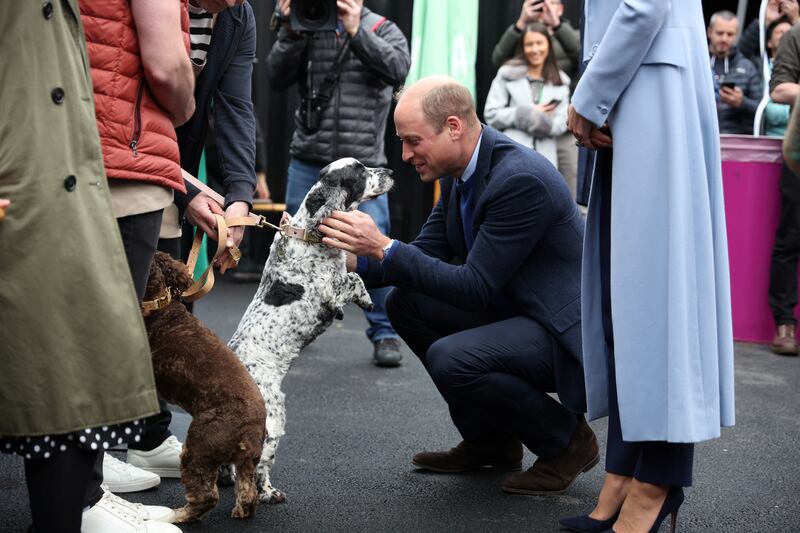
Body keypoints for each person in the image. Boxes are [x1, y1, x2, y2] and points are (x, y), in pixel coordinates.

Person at [319, 76, 599, 495]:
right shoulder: (456, 173)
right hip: (517, 309)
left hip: (564, 333)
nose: (405, 154)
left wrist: (382, 245)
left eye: (413, 141)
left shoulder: (520, 179)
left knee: (453, 358)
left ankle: (566, 441)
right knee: (404, 304)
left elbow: (474, 288)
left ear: (453, 127)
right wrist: (346, 258)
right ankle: (492, 442)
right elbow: (422, 257)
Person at [0, 3, 179, 532]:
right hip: (42, 182)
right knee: (70, 363)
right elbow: (167, 71)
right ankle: (88, 499)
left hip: (69, 175)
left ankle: (87, 498)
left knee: (73, 370)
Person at [564, 2, 735, 532]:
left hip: (649, 82)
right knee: (628, 299)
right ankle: (625, 467)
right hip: (640, 82)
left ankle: (657, 480)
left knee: (657, 298)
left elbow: (646, 4)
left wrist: (590, 95)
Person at [78, 0, 195, 529]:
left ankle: (90, 482)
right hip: (124, 157)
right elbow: (168, 68)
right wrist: (184, 107)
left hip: (91, 150)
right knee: (103, 339)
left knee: (87, 334)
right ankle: (85, 499)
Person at [267, 0, 410, 367]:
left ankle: (385, 332)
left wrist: (355, 28)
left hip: (362, 166)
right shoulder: (307, 23)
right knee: (293, 247)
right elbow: (276, 76)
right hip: (310, 161)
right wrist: (293, 30)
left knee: (373, 249)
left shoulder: (381, 29)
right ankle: (288, 323)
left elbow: (398, 70)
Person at [492, 0, 580, 198]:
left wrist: (556, 25)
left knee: (565, 187)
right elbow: (498, 59)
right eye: (537, 4)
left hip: (562, 120)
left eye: (547, 3)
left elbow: (582, 55)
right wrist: (521, 23)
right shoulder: (523, 32)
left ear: (560, 7)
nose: (535, 49)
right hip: (521, 126)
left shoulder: (566, 33)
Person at [484, 22, 571, 180]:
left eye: (539, 43)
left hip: (546, 158)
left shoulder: (561, 81)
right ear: (522, 47)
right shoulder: (506, 74)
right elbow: (490, 114)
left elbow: (562, 124)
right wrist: (525, 114)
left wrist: (540, 120)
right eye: (529, 44)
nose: (535, 49)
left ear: (548, 45)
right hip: (511, 154)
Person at [768, 18, 800, 355]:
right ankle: (784, 321)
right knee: (791, 237)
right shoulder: (795, 36)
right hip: (799, 150)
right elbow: (779, 89)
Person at [708, 10, 763, 135]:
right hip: (699, 135)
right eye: (720, 33)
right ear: (709, 32)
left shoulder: (747, 67)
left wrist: (741, 102)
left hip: (735, 138)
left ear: (736, 35)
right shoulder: (697, 63)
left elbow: (761, 112)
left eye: (730, 34)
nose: (724, 38)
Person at [764, 18, 794, 137]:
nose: (785, 35)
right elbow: (770, 113)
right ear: (769, 42)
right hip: (769, 143)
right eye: (780, 32)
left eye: (789, 32)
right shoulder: (763, 69)